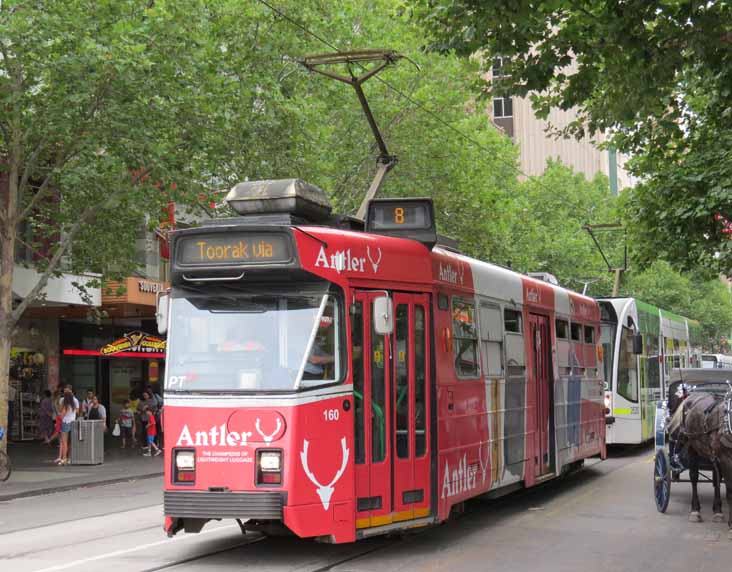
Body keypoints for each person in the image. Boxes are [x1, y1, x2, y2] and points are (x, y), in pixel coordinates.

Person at [56, 389, 79, 465]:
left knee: (64, 442)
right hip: (73, 423)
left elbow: (62, 415)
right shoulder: (73, 405)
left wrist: (59, 413)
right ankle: (69, 458)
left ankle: (64, 458)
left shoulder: (66, 405)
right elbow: (77, 412)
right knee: (71, 442)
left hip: (65, 423)